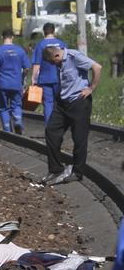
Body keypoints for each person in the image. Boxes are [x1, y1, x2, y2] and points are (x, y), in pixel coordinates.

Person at [41, 45, 102, 185]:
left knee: (79, 139)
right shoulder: (60, 62)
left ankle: (77, 172)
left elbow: (97, 67)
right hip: (63, 103)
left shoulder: (74, 57)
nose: (52, 65)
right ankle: (55, 169)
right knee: (51, 131)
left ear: (56, 56)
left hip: (79, 102)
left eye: (52, 62)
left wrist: (91, 88)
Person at [0, 30, 31, 134]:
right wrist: (22, 79)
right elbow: (27, 68)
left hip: (2, 83)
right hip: (16, 83)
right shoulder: (20, 50)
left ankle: (7, 130)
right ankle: (18, 120)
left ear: (2, 37)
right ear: (12, 37)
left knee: (3, 107)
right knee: (17, 105)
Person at [31, 23, 67, 124]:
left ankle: (49, 129)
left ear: (44, 32)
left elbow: (37, 63)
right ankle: (59, 127)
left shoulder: (40, 45)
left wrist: (34, 78)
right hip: (59, 78)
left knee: (48, 104)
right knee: (60, 103)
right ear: (54, 31)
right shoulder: (62, 44)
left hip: (45, 79)